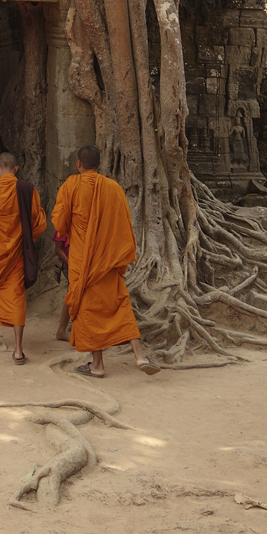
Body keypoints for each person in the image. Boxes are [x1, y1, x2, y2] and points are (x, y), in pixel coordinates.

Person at [51, 143, 160, 378]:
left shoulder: (71, 186)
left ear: (78, 164)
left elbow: (59, 225)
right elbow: (124, 225)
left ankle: (97, 365)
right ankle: (140, 355)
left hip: (83, 262)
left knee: (89, 311)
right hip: (108, 260)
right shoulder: (113, 188)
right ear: (100, 165)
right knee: (120, 305)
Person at [0, 151, 46, 365]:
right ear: (16, 169)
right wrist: (23, 240)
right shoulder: (26, 190)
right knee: (16, 298)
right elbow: (39, 223)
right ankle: (19, 350)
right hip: (17, 255)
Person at [53, 229, 71, 342]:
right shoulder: (63, 227)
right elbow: (57, 249)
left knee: (75, 294)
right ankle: (61, 331)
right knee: (73, 294)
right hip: (69, 267)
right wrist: (71, 264)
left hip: (81, 266)